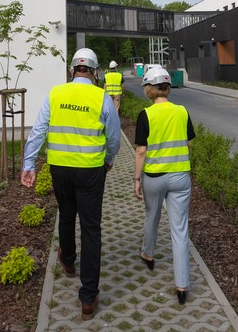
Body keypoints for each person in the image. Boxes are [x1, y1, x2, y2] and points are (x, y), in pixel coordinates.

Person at [21, 47, 121, 320]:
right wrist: (109, 160)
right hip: (90, 171)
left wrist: (29, 164)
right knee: (91, 228)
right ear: (95, 72)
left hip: (60, 169)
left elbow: (39, 129)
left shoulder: (55, 93)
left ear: (72, 70)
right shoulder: (101, 97)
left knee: (66, 214)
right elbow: (114, 138)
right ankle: (88, 296)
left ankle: (67, 260)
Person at [133, 67, 195, 305]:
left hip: (155, 177)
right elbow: (188, 142)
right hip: (180, 176)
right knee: (180, 230)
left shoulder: (145, 115)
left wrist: (137, 179)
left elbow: (140, 151)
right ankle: (182, 285)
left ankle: (148, 254)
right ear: (167, 88)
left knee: (152, 216)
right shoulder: (182, 111)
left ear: (149, 89)